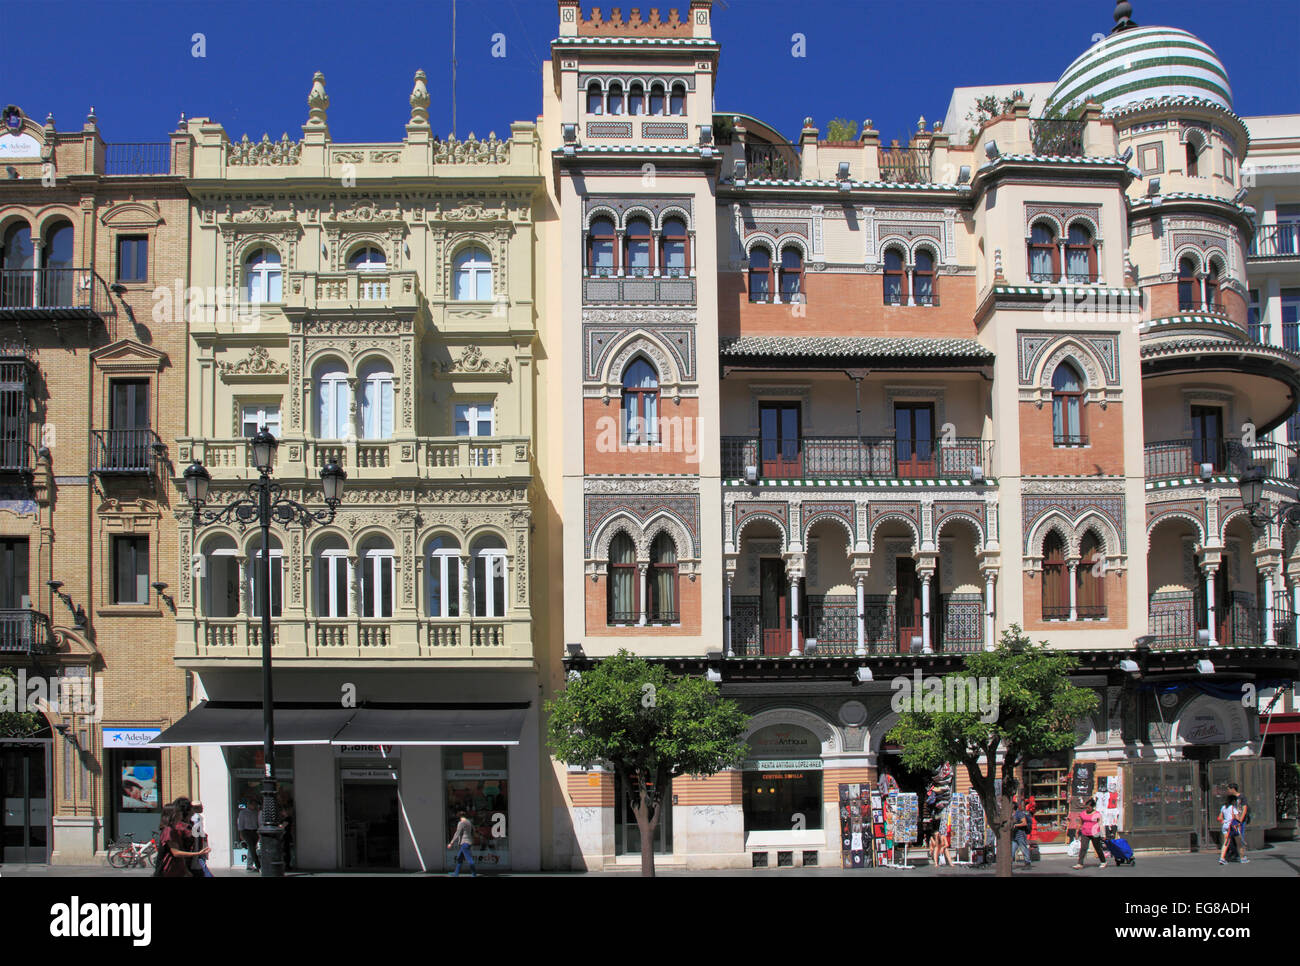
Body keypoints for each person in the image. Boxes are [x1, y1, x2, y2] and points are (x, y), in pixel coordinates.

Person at [158, 797, 209, 878]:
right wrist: (197, 854)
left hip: (191, 866)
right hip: (179, 869)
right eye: (192, 808)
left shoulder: (190, 825)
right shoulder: (176, 829)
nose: (194, 810)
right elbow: (176, 852)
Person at [1073, 798, 1107, 869]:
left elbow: (1100, 824)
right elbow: (1080, 823)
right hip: (1085, 832)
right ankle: (1080, 863)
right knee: (1083, 848)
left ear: (1092, 807)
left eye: (1089, 807)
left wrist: (1103, 834)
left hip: (1095, 833)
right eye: (1086, 807)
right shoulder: (1083, 814)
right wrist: (1077, 831)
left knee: (1097, 848)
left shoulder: (1097, 814)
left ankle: (1103, 861)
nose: (1087, 809)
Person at [447, 810, 477, 877]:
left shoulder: (461, 823)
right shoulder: (469, 822)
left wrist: (451, 843)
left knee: (469, 859)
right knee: (459, 858)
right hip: (469, 842)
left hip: (464, 843)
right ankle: (456, 873)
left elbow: (457, 833)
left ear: (459, 816)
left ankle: (474, 874)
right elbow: (474, 830)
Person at [188, 801, 214, 877]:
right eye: (200, 806)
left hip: (199, 843)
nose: (202, 807)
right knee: (200, 862)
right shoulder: (197, 817)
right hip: (199, 844)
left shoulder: (196, 816)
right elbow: (197, 832)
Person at [1226, 782, 1250, 863]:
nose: (1228, 790)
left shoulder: (1242, 797)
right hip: (1232, 821)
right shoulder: (1230, 798)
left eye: (1228, 789)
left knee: (1239, 838)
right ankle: (1236, 854)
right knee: (1232, 838)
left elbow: (1244, 809)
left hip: (1240, 821)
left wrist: (1240, 820)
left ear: (1233, 789)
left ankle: (1242, 856)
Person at [237, 798, 261, 872]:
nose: (254, 806)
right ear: (249, 805)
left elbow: (258, 822)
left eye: (255, 805)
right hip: (246, 831)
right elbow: (240, 823)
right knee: (252, 848)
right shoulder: (243, 812)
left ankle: (249, 865)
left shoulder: (256, 812)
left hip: (254, 831)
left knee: (252, 848)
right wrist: (241, 833)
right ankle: (258, 865)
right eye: (253, 804)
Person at [1218, 792, 1242, 865]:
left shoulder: (1223, 807)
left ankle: (1222, 858)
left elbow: (1220, 818)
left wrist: (1224, 821)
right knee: (1239, 843)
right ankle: (1242, 857)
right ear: (1233, 801)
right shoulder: (1233, 808)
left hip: (1225, 826)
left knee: (1226, 843)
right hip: (1231, 827)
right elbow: (1238, 819)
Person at [1011, 795, 1032, 869]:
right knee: (1012, 849)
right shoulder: (1011, 814)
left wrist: (1016, 825)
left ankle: (1027, 862)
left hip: (1020, 834)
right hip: (1014, 835)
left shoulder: (1019, 813)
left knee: (1023, 848)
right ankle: (1009, 863)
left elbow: (1024, 823)